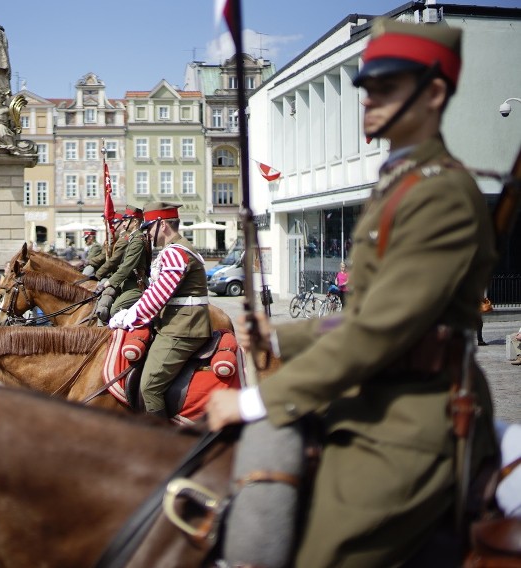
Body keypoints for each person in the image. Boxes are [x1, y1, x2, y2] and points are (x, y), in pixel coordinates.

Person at [206, 19, 498, 568]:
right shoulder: (397, 183)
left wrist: (253, 400)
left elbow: (378, 330)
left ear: (434, 92)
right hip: (373, 393)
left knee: (321, 552)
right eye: (366, 87)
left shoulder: (441, 196)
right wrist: (278, 334)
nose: (368, 99)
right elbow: (357, 317)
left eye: (387, 86)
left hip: (415, 412)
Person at [109, 202, 211, 418]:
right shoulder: (174, 249)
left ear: (162, 225)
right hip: (174, 324)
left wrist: (129, 317)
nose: (147, 234)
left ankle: (162, 442)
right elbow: (153, 291)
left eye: (149, 228)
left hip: (182, 328)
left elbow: (158, 296)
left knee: (150, 387)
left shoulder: (176, 252)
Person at [100, 206, 148, 318]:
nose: (124, 223)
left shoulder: (137, 241)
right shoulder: (133, 239)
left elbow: (127, 267)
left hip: (135, 285)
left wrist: (109, 282)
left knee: (115, 311)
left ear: (135, 222)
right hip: (127, 282)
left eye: (126, 220)